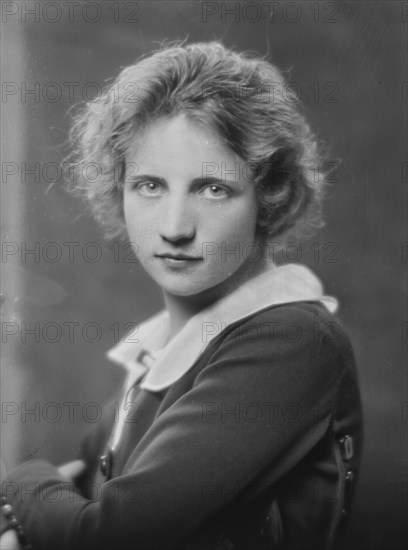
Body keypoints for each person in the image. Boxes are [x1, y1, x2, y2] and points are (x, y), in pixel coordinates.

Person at [0, 40, 363, 550]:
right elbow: (76, 491)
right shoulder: (165, 349)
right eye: (149, 185)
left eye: (212, 188)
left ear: (268, 194)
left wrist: (22, 480)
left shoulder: (291, 340)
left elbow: (107, 534)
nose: (174, 228)